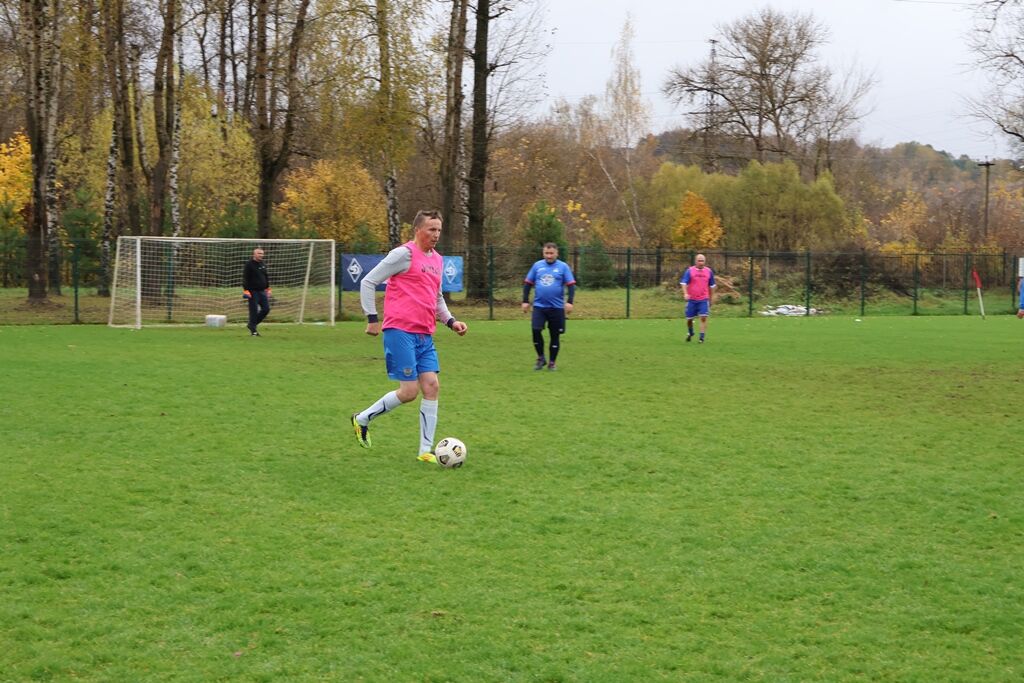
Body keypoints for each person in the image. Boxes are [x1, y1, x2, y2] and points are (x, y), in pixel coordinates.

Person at [351, 210, 468, 463]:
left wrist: (451, 321)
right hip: (400, 331)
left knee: (432, 386)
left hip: (425, 333)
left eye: (439, 230)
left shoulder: (437, 260)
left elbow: (437, 298)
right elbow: (368, 282)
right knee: (409, 391)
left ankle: (424, 452)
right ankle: (362, 419)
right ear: (417, 230)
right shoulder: (403, 254)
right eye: (431, 229)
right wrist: (372, 318)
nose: (436, 235)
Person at [522, 242, 576, 371]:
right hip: (539, 306)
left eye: (551, 253)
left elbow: (571, 285)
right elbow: (528, 284)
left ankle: (552, 362)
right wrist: (525, 301)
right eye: (546, 253)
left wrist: (570, 302)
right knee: (535, 330)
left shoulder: (563, 267)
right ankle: (541, 358)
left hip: (556, 308)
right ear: (543, 253)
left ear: (557, 253)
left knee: (555, 335)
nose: (549, 256)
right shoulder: (537, 266)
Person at [680, 253, 716, 343]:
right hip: (692, 300)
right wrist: (685, 293)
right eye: (699, 261)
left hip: (703, 299)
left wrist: (711, 298)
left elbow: (712, 286)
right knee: (689, 320)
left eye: (702, 261)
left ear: (705, 261)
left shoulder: (709, 271)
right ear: (695, 261)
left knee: (703, 317)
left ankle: (701, 337)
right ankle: (691, 332)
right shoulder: (689, 271)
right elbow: (683, 283)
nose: (701, 262)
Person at [242, 247, 271, 336]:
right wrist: (246, 290)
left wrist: (268, 288)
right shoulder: (249, 264)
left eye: (262, 253)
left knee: (266, 309)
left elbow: (265, 276)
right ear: (254, 254)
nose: (261, 255)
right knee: (254, 311)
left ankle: (252, 324)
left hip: (262, 291)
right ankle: (253, 331)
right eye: (259, 253)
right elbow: (245, 278)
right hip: (252, 291)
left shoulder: (263, 264)